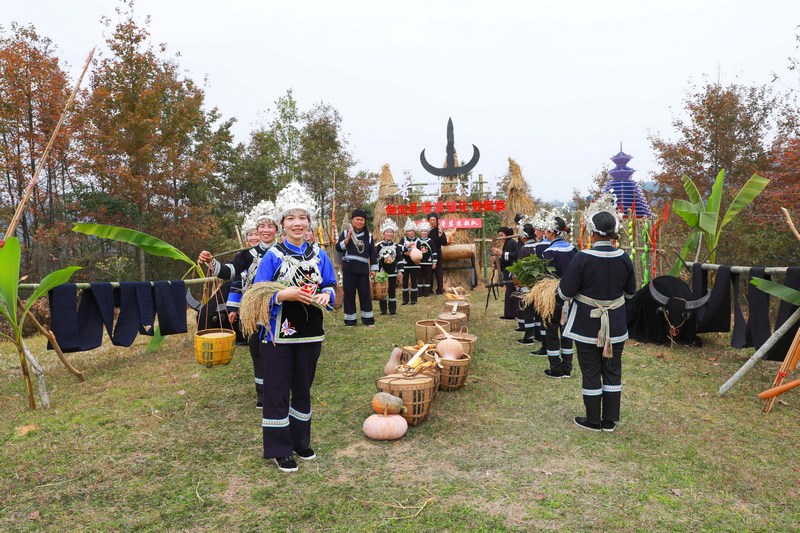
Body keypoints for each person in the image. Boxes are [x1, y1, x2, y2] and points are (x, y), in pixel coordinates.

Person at [251, 180, 336, 472]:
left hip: (311, 334)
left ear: (309, 222)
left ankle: (300, 441)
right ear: (282, 224)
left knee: (303, 387)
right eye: (291, 218)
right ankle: (279, 448)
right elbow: (256, 296)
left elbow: (330, 284)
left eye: (302, 218)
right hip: (278, 336)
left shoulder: (319, 255)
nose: (297, 223)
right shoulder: (273, 256)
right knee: (277, 391)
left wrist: (327, 295)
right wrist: (281, 295)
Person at [558, 195, 636, 432]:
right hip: (616, 325)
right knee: (612, 370)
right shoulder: (624, 258)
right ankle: (609, 421)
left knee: (591, 370)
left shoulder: (582, 258)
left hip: (586, 324)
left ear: (592, 233)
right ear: (613, 233)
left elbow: (565, 292)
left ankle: (593, 420)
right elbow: (630, 293)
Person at [198, 200, 278, 407]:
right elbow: (231, 273)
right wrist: (211, 262)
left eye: (270, 226)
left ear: (277, 229)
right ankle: (263, 395)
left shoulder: (284, 251)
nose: (265, 230)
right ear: (257, 230)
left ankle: (280, 390)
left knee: (280, 352)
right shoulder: (246, 255)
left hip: (280, 309)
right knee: (257, 352)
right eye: (262, 226)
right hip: (254, 311)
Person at [541, 211, 578, 378]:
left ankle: (555, 368)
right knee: (567, 331)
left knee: (552, 330)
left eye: (546, 230)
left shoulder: (549, 251)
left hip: (553, 296)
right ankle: (567, 368)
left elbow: (547, 276)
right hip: (571, 296)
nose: (544, 232)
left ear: (551, 231)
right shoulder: (573, 249)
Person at [336, 208, 377, 326]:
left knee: (365, 295)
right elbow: (338, 248)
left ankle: (368, 319)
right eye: (357, 219)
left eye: (362, 220)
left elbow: (372, 254)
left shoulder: (369, 236)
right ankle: (350, 320)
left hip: (363, 270)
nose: (359, 222)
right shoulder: (345, 233)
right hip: (348, 269)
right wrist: (348, 238)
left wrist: (373, 269)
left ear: (365, 222)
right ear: (352, 220)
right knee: (349, 294)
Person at [528, 211, 552, 356]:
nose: (535, 232)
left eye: (537, 229)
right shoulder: (559, 245)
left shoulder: (543, 246)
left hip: (546, 285)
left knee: (544, 316)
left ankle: (546, 346)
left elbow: (540, 266)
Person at [513, 222, 537, 345]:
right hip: (539, 284)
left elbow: (520, 268)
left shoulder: (525, 249)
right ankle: (538, 334)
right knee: (537, 311)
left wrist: (516, 280)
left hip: (527, 285)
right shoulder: (539, 245)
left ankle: (528, 337)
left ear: (524, 236)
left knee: (528, 310)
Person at [375, 218, 404, 315]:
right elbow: (375, 260)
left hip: (393, 273)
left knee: (392, 292)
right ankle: (383, 310)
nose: (389, 234)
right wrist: (375, 271)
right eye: (387, 232)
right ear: (383, 233)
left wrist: (400, 271)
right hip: (382, 274)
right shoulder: (378, 246)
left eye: (391, 232)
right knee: (382, 291)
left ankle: (393, 310)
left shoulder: (396, 246)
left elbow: (399, 259)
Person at [492, 227, 518, 320]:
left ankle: (511, 314)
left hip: (512, 270)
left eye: (502, 235)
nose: (500, 237)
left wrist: (500, 254)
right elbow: (505, 259)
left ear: (507, 235)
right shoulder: (507, 243)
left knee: (511, 292)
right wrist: (497, 263)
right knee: (509, 292)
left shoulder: (510, 242)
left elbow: (510, 257)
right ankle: (509, 313)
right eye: (499, 236)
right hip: (509, 270)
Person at [399, 218, 420, 305]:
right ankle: (405, 300)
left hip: (414, 264)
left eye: (411, 231)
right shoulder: (403, 240)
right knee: (405, 282)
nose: (410, 232)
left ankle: (414, 299)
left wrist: (418, 260)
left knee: (414, 282)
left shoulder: (418, 240)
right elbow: (399, 250)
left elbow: (420, 252)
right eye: (408, 231)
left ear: (414, 231)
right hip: (405, 265)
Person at [427, 213, 448, 294]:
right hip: (427, 255)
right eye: (431, 220)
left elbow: (444, 243)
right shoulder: (425, 231)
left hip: (437, 254)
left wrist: (441, 235)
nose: (432, 221)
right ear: (428, 221)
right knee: (429, 273)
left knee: (438, 273)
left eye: (434, 220)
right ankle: (429, 290)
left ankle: (439, 289)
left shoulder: (439, 230)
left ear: (436, 221)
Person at [417, 220, 435, 297]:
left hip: (428, 263)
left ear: (427, 232)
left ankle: (427, 292)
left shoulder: (431, 241)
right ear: (420, 232)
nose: (423, 233)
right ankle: (420, 292)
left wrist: (434, 262)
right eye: (422, 231)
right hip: (419, 263)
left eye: (425, 231)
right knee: (419, 277)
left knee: (428, 278)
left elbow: (434, 253)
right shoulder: (417, 241)